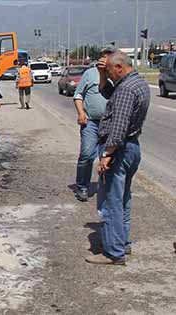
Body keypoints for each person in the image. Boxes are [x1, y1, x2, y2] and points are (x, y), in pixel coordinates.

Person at [85, 51, 150, 265]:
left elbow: (119, 127)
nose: (110, 74)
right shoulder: (136, 83)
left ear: (120, 67)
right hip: (131, 148)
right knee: (123, 198)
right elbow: (107, 92)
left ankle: (114, 252)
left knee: (111, 202)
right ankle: (123, 242)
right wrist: (102, 73)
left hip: (119, 150)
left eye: (111, 70)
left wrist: (106, 155)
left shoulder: (126, 90)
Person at [73, 47, 117, 202]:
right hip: (90, 122)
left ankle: (105, 188)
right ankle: (82, 186)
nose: (104, 60)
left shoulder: (115, 75)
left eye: (108, 58)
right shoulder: (90, 74)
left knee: (106, 157)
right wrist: (81, 113)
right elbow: (78, 95)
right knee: (86, 154)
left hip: (109, 124)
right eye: (103, 57)